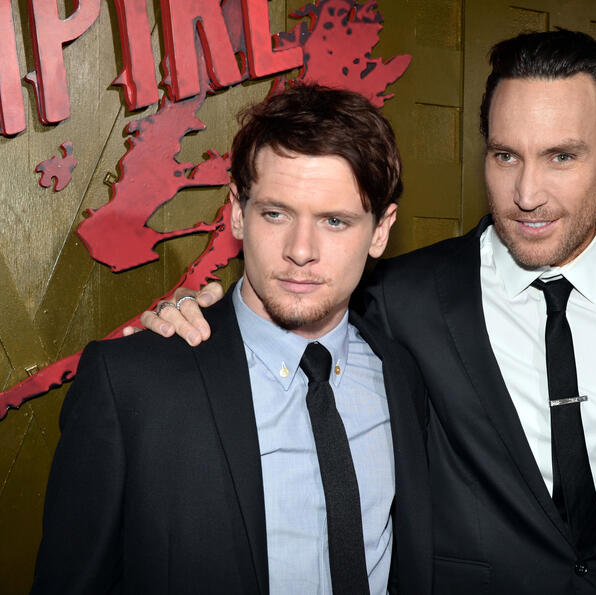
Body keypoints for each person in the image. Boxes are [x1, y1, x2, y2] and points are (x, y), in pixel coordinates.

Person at [140, 30, 596, 593]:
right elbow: (294, 296)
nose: (526, 194)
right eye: (505, 155)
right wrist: (195, 315)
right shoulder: (401, 296)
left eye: (561, 157)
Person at [32, 84, 432, 595]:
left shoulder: (400, 372)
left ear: (380, 231)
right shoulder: (131, 383)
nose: (300, 250)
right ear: (237, 212)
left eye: (335, 221)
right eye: (275, 214)